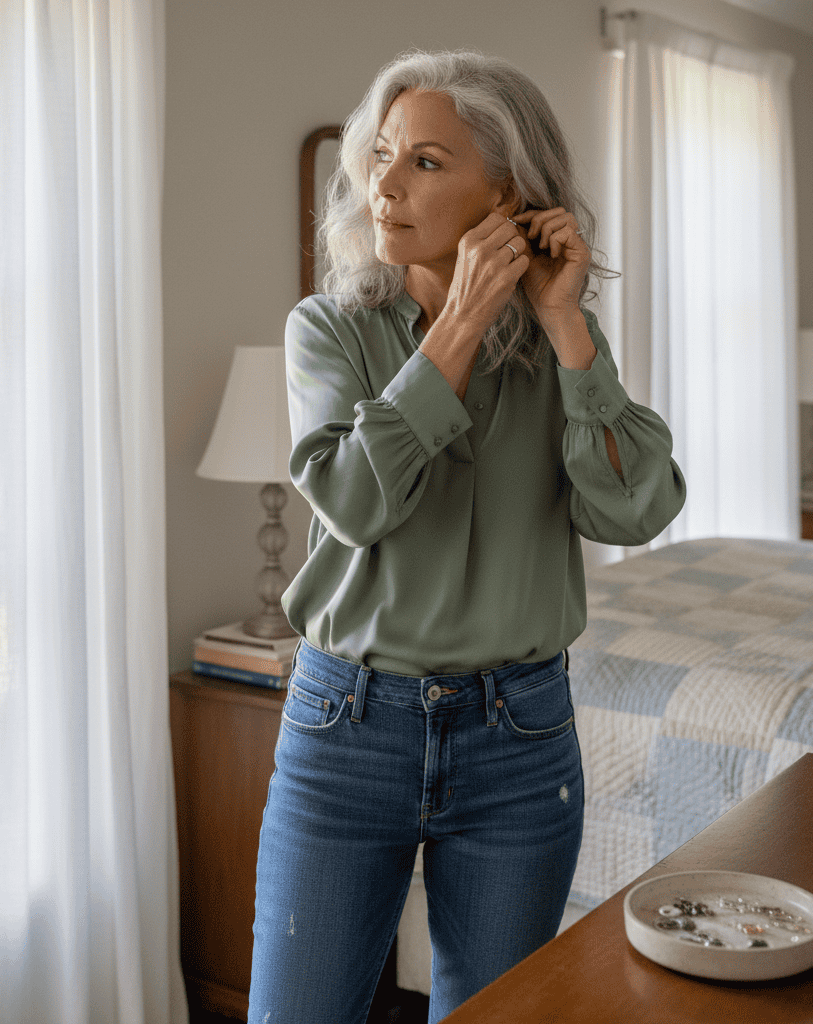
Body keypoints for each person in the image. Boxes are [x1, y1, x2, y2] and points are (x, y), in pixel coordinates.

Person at [248, 49, 685, 1024]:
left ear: (510, 194)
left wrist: (567, 327)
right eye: (383, 155)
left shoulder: (558, 341)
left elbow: (636, 510)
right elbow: (354, 503)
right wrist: (460, 325)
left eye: (428, 162)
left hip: (519, 734)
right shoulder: (329, 331)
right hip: (345, 728)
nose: (384, 185)